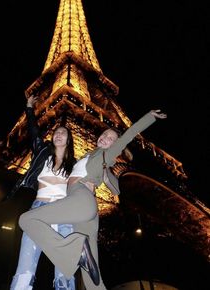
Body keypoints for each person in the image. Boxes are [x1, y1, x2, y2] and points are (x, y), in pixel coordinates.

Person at [18, 108, 167, 290]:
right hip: (86, 214)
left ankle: (74, 250)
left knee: (27, 219)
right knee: (93, 280)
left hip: (81, 198)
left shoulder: (107, 154)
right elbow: (115, 187)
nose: (105, 138)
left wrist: (149, 116)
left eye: (111, 138)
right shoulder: (92, 156)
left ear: (115, 144)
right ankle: (79, 252)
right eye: (104, 134)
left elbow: (129, 135)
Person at [10, 95, 76, 290]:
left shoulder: (75, 164)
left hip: (64, 214)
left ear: (69, 139)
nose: (58, 134)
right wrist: (29, 108)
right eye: (56, 131)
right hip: (39, 211)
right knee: (24, 269)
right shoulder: (42, 152)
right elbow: (33, 131)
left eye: (63, 132)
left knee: (65, 273)